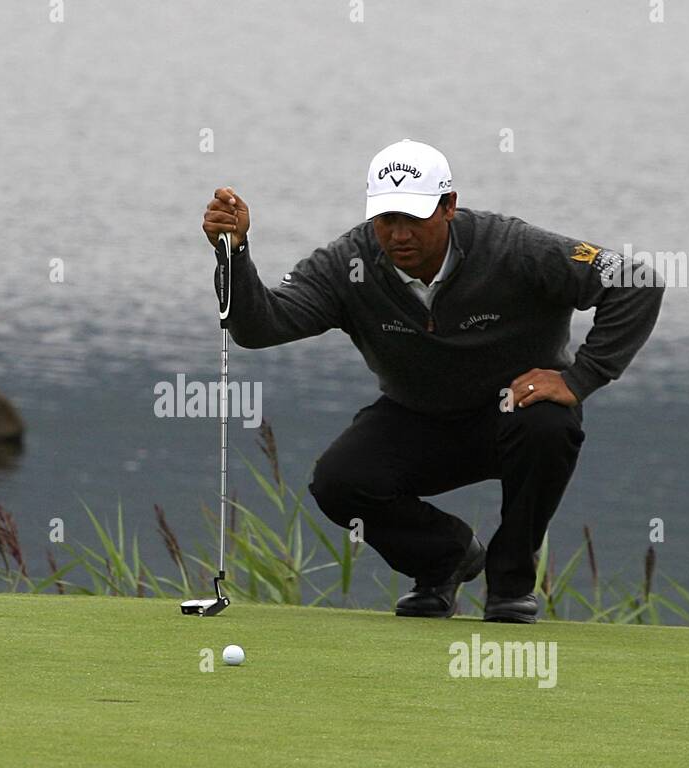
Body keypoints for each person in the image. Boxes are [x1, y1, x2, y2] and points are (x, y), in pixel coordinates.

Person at [200, 138, 663, 622]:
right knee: (340, 482)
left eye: (413, 218)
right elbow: (260, 326)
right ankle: (445, 559)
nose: (399, 234)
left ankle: (510, 586)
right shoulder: (348, 264)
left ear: (448, 207)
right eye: (386, 219)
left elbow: (637, 280)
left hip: (515, 414)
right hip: (417, 419)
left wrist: (581, 377)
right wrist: (235, 254)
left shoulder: (512, 247)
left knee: (550, 424)